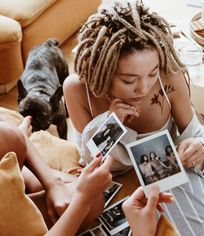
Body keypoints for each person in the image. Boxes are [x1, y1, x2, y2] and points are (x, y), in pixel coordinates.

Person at [63, 0, 204, 234]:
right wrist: (110, 123)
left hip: (167, 176)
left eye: (152, 73)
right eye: (129, 80)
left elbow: (196, 133)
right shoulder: (77, 90)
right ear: (103, 71)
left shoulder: (169, 75)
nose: (144, 88)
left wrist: (198, 145)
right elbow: (89, 160)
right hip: (116, 187)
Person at [0, 29, 113, 235]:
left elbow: (9, 133)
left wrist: (52, 183)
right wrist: (82, 199)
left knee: (4, 135)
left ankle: (23, 187)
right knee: (92, 200)